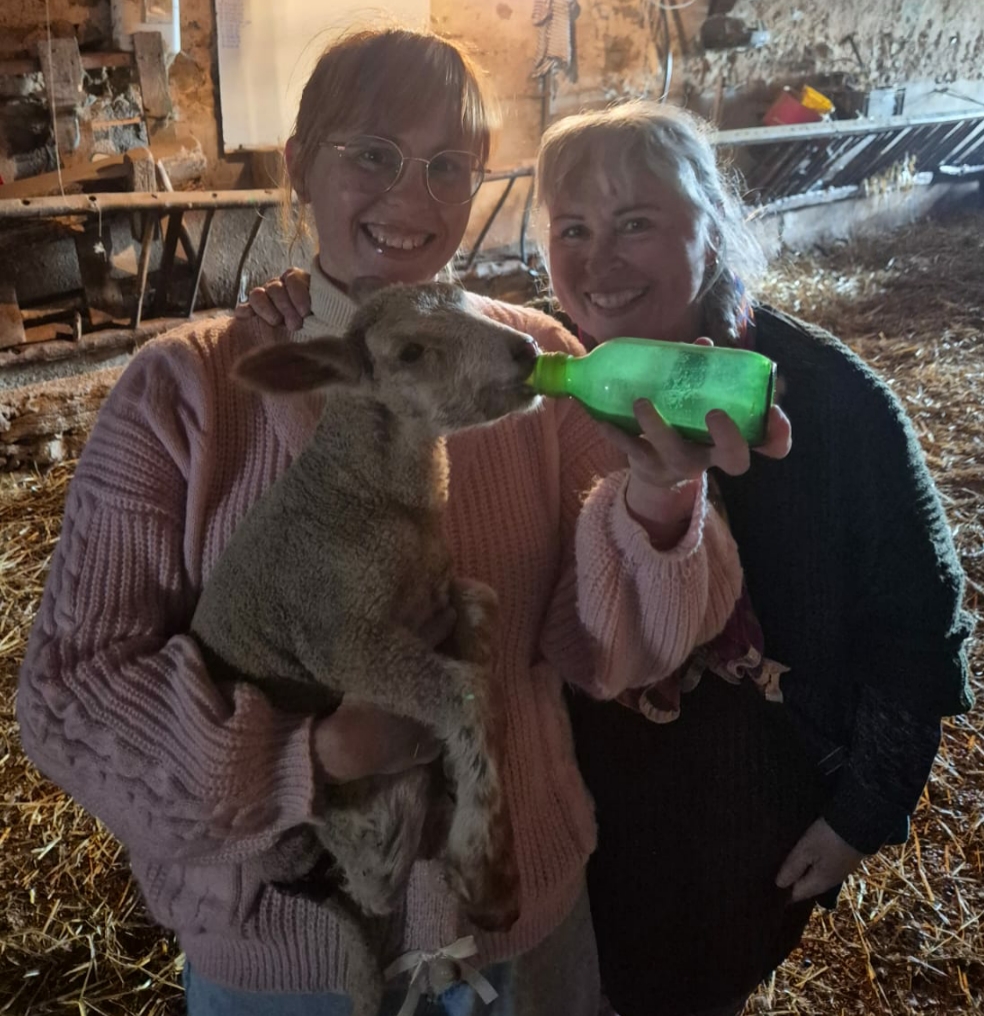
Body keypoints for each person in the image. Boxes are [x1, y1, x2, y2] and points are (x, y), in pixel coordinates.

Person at [15, 32, 792, 1016]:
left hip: (523, 934)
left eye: (448, 168)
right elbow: (70, 695)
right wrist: (306, 759)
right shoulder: (187, 395)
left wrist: (659, 502)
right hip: (292, 962)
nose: (413, 198)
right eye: (372, 154)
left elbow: (613, 655)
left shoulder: (539, 366)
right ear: (299, 164)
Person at [247, 99, 974, 1016]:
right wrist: (299, 307)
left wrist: (860, 816)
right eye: (574, 230)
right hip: (575, 825)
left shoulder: (834, 405)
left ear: (710, 230)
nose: (599, 262)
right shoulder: (536, 379)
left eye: (637, 224)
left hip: (747, 818)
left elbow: (919, 633)